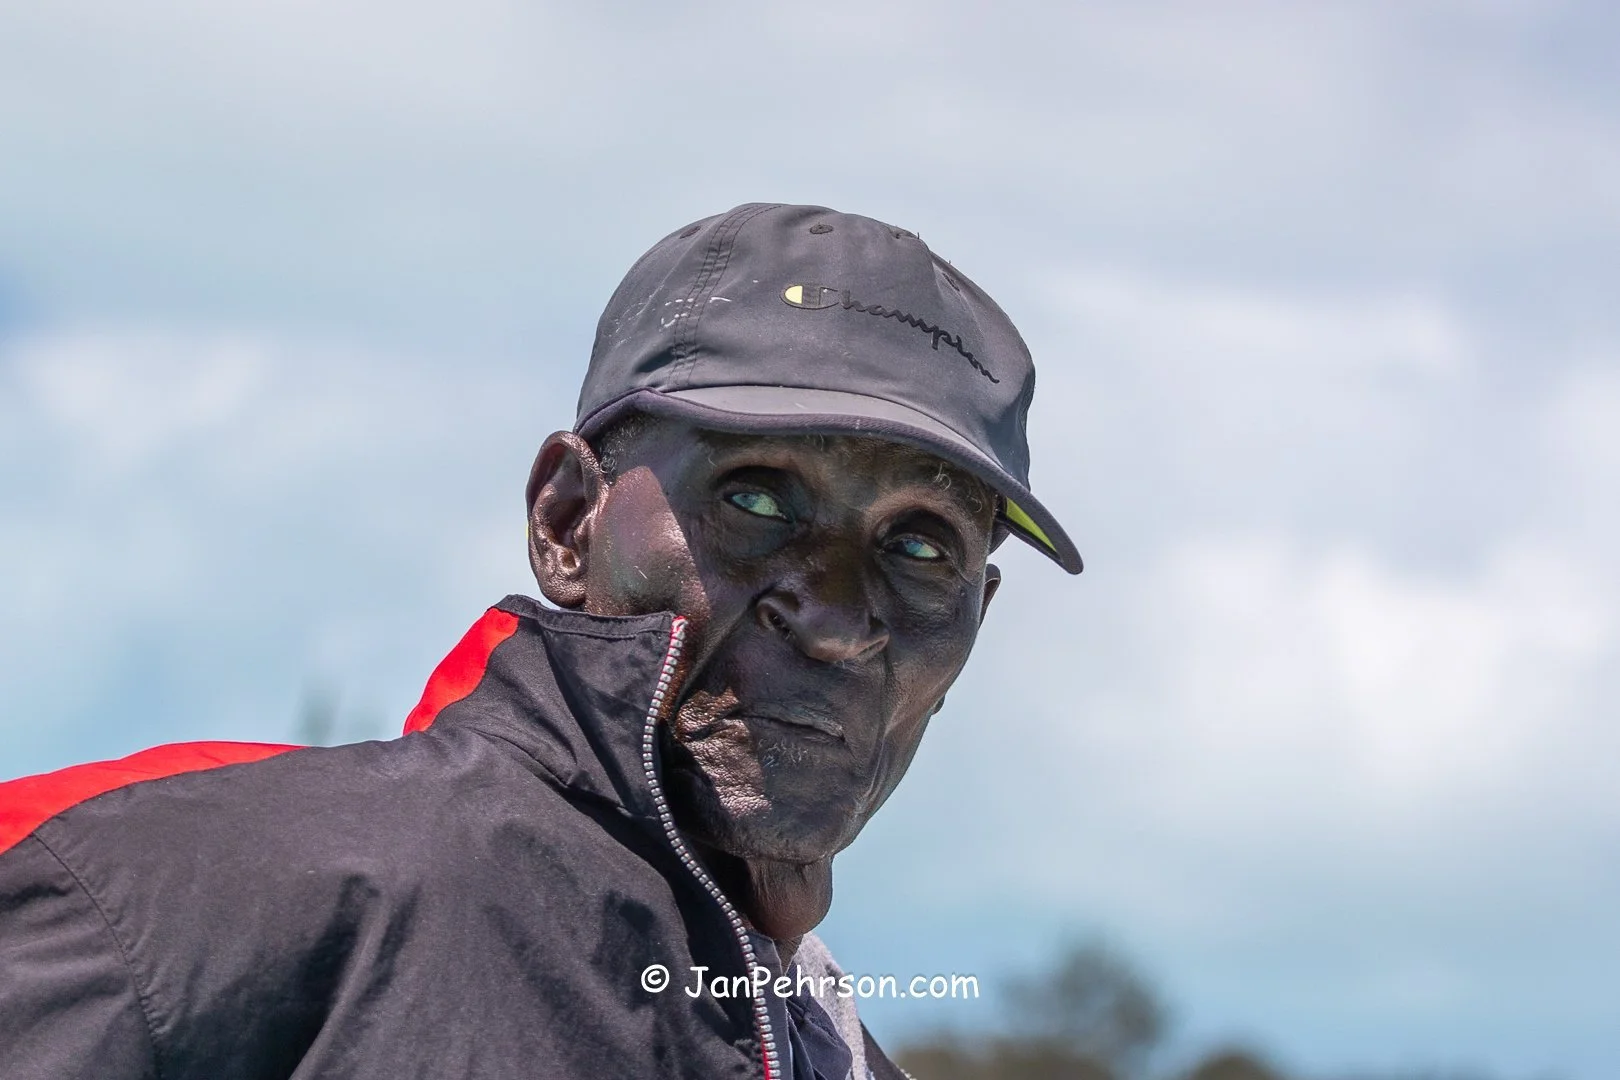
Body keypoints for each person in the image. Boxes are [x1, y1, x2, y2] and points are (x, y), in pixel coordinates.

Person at [0, 202, 1082, 1079]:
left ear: (976, 617)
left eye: (920, 548)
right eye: (757, 499)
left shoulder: (840, 1057)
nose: (840, 619)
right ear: (567, 521)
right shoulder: (171, 898)